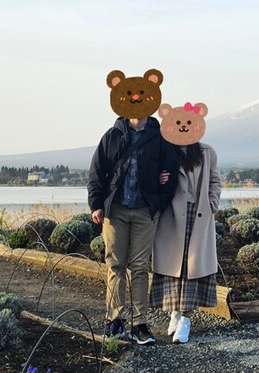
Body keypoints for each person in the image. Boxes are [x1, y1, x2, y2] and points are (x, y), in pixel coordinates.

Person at [88, 69, 178, 345]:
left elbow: (171, 173)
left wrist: (158, 203)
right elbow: (96, 172)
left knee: (139, 268)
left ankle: (140, 324)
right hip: (115, 210)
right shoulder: (112, 136)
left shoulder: (160, 137)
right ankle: (114, 321)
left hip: (144, 211)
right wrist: (96, 204)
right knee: (115, 265)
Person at [150, 101, 221, 344]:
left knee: (193, 267)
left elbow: (215, 181)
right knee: (174, 267)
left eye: (188, 122)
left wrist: (212, 203)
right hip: (171, 216)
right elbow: (151, 177)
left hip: (198, 216)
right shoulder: (164, 150)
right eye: (178, 122)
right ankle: (175, 312)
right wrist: (159, 180)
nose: (183, 127)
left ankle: (186, 320)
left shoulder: (207, 152)